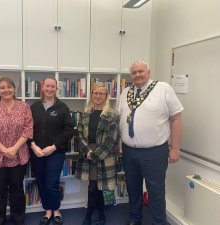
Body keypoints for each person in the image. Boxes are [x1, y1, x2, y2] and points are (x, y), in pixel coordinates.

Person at [117, 60, 183, 225]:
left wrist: (175, 148)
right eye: (134, 72)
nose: (137, 75)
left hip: (154, 152)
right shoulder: (125, 92)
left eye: (141, 71)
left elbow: (176, 118)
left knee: (156, 191)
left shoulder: (163, 89)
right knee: (133, 188)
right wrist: (117, 144)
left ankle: (159, 222)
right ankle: (135, 218)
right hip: (129, 151)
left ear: (148, 71)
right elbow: (119, 120)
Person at [0, 77, 33, 225]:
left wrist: (15, 148)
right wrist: (5, 150)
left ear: (14, 89)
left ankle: (18, 220)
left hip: (19, 155)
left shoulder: (24, 107)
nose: (6, 90)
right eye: (2, 88)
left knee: (17, 189)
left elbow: (28, 130)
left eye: (9, 87)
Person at [29, 77, 74, 225]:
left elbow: (68, 130)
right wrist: (33, 145)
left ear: (56, 88)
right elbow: (27, 129)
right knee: (41, 182)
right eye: (47, 86)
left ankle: (56, 210)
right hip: (37, 152)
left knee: (51, 183)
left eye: (52, 87)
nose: (49, 89)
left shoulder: (63, 108)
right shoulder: (34, 106)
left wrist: (53, 147)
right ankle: (47, 210)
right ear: (42, 87)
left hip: (55, 152)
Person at [76, 83, 119, 225]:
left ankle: (89, 216)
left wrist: (94, 155)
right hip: (87, 152)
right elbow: (79, 134)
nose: (98, 96)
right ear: (92, 94)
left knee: (96, 186)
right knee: (93, 185)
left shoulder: (111, 115)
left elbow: (111, 139)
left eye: (101, 93)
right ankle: (100, 213)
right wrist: (86, 151)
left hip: (103, 155)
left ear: (106, 96)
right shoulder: (85, 113)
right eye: (95, 93)